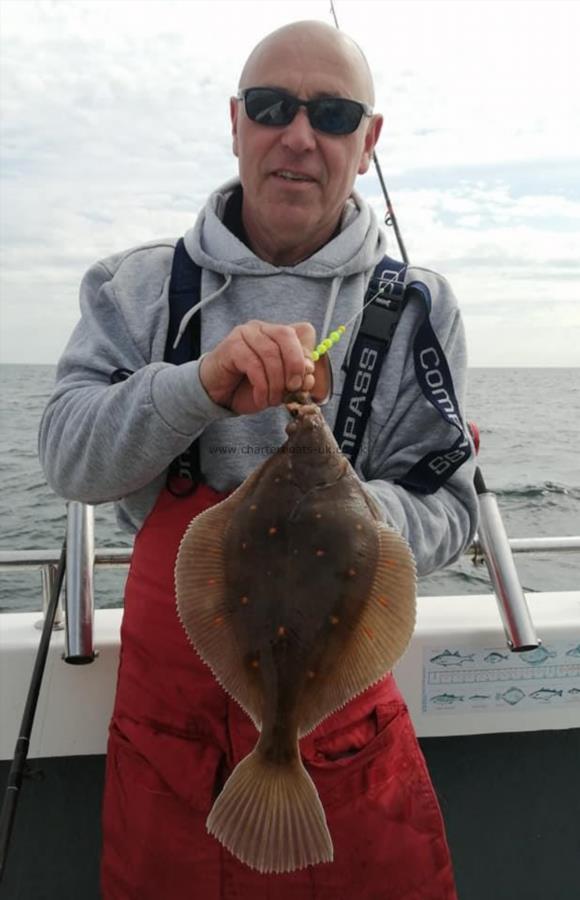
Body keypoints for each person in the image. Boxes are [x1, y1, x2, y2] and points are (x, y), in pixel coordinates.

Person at [39, 19, 478, 900]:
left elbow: (452, 506)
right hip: (171, 739)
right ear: (236, 122)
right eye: (273, 106)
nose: (299, 135)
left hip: (348, 741)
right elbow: (68, 460)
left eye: (334, 112)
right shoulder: (134, 288)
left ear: (370, 139)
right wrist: (194, 384)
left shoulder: (417, 309)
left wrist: (357, 518)